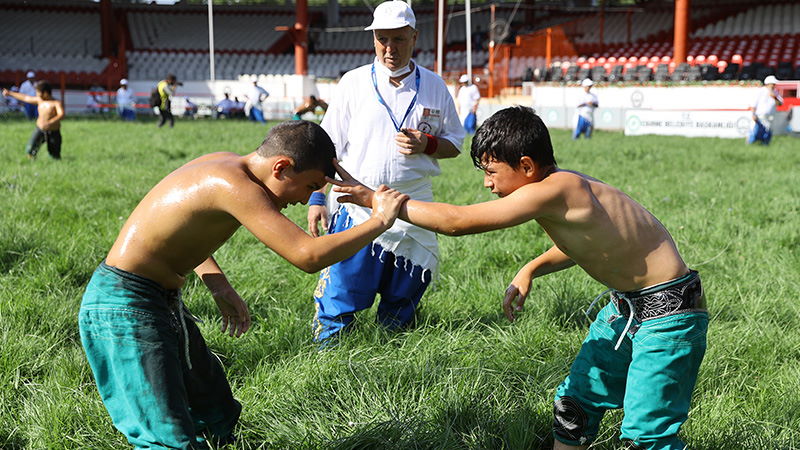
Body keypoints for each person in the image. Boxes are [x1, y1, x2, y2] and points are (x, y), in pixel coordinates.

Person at [332, 106, 708, 450]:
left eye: (491, 172)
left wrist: (377, 202)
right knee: (573, 407)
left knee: (647, 437)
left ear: (526, 165)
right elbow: (592, 246)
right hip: (626, 309)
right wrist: (531, 269)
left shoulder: (558, 188)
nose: (486, 184)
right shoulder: (561, 189)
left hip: (669, 317)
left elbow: (457, 222)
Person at [78, 120, 409, 449]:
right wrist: (380, 219)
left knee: (215, 408)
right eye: (309, 186)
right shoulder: (234, 186)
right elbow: (307, 256)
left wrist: (218, 284)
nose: (304, 199)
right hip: (123, 308)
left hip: (159, 300)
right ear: (281, 167)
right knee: (165, 437)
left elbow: (176, 225)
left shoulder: (226, 165)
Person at [307, 0, 465, 345]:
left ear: (414, 37)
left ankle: (393, 357)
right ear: (373, 38)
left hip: (413, 206)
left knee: (403, 300)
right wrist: (318, 197)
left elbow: (456, 142)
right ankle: (325, 360)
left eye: (399, 39)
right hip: (356, 205)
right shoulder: (353, 82)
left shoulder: (435, 85)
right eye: (382, 39)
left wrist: (429, 144)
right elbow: (327, 146)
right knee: (342, 294)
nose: (390, 48)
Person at [3, 81, 65, 160]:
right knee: (31, 148)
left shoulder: (56, 103)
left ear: (45, 93)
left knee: (54, 154)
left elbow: (61, 115)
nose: (36, 94)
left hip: (53, 131)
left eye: (38, 92)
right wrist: (10, 93)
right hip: (40, 130)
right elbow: (25, 98)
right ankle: (31, 161)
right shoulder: (39, 100)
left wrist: (50, 122)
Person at [748, 75, 783, 145]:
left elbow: (780, 103)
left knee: (768, 130)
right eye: (772, 84)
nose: (773, 86)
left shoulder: (775, 92)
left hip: (771, 115)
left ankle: (765, 144)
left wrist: (774, 97)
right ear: (767, 84)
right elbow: (754, 103)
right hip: (760, 115)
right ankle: (752, 143)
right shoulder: (761, 91)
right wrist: (753, 114)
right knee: (757, 130)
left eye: (774, 84)